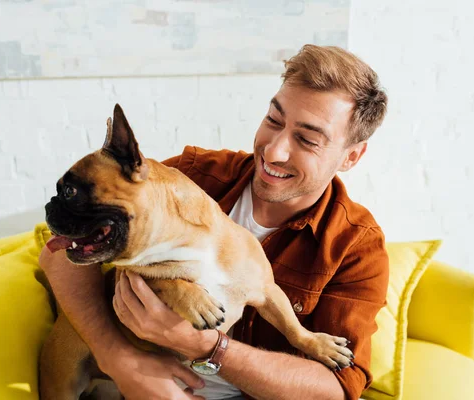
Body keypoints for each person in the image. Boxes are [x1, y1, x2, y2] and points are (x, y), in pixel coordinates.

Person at [39, 44, 389, 400]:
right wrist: (119, 358)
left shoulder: (354, 246)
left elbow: (338, 389)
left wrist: (206, 346)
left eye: (307, 139)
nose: (274, 151)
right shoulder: (189, 180)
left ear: (351, 156)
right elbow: (58, 251)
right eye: (273, 120)